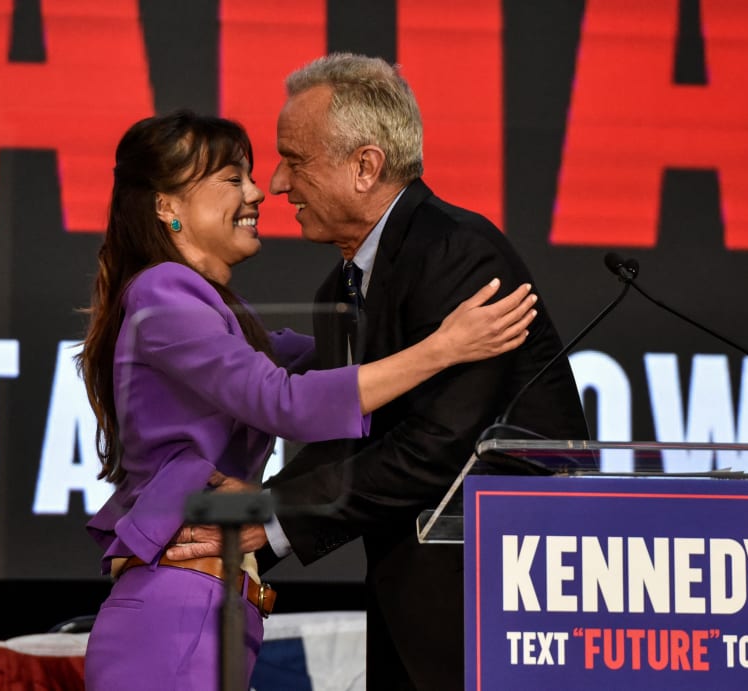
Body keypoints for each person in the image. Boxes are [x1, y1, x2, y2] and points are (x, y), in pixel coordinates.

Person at [166, 53, 590, 690]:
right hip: (412, 604)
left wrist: (271, 519)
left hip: (501, 608)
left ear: (364, 166)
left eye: (295, 160)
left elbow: (434, 449)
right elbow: (346, 438)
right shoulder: (341, 284)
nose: (277, 184)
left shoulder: (456, 255)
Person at [76, 109, 539, 690]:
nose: (258, 192)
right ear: (167, 207)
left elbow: (331, 362)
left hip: (209, 608)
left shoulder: (215, 311)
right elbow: (285, 402)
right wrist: (442, 349)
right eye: (231, 178)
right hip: (175, 611)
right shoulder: (162, 292)